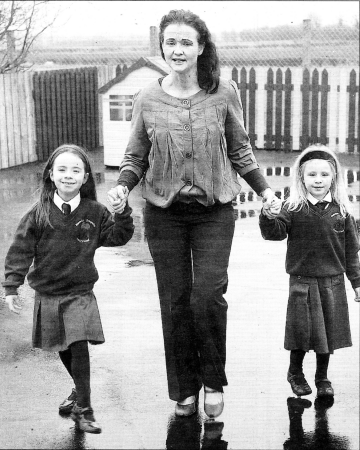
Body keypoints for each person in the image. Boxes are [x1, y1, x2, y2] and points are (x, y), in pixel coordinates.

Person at [108, 9, 281, 418]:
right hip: (164, 213)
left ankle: (213, 381)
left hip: (213, 211)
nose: (178, 49)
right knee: (175, 300)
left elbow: (240, 149)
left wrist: (265, 191)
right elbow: (135, 155)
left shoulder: (223, 91)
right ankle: (183, 387)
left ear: (201, 47)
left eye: (187, 41)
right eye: (171, 42)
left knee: (207, 297)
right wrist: (121, 186)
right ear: (162, 47)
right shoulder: (148, 97)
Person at [2, 144, 134, 434]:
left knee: (78, 344)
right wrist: (11, 287)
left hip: (79, 293)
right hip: (48, 294)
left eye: (76, 170)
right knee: (63, 347)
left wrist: (122, 213)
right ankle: (79, 392)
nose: (68, 176)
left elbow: (118, 237)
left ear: (86, 177)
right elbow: (20, 251)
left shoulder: (95, 212)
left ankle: (85, 409)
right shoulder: (37, 214)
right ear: (51, 174)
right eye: (62, 170)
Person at [259, 144, 360, 399]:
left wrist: (357, 283)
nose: (318, 180)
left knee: (327, 333)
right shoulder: (292, 208)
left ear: (334, 177)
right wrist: (268, 216)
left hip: (332, 282)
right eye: (311, 174)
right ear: (301, 178)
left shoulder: (343, 212)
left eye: (324, 175)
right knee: (301, 331)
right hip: (302, 282)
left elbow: (351, 253)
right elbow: (275, 233)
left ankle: (322, 377)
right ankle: (295, 372)